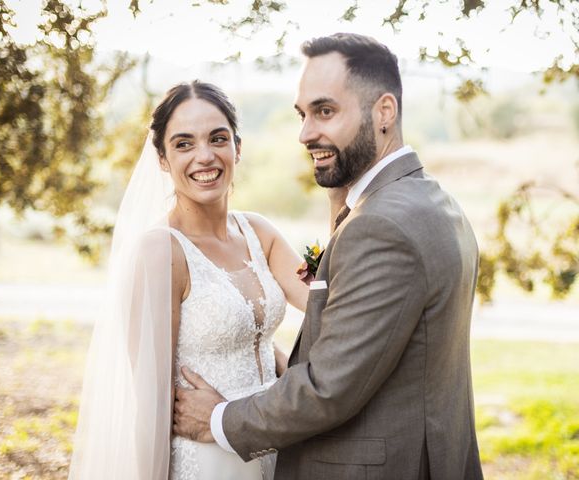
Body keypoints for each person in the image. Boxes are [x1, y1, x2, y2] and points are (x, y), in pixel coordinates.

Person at [173, 33, 484, 479]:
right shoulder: (433, 202)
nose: (305, 134)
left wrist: (219, 418)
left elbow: (329, 387)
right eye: (303, 114)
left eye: (325, 111)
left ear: (384, 112)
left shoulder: (379, 226)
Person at [67, 81, 309, 479]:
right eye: (183, 144)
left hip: (272, 448)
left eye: (218, 138)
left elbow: (328, 302)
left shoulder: (259, 233)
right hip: (207, 461)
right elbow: (152, 404)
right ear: (162, 159)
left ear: (237, 148)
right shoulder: (160, 252)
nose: (205, 156)